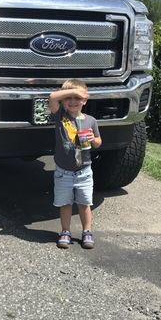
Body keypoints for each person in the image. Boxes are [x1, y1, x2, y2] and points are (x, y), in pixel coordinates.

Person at [48, 79, 102, 249]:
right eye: (69, 98)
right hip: (63, 172)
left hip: (84, 171)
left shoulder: (91, 120)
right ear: (63, 101)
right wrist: (75, 92)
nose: (73, 101)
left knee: (85, 204)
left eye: (77, 98)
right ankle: (65, 231)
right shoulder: (60, 117)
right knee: (65, 204)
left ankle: (87, 231)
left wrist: (94, 140)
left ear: (85, 100)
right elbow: (52, 97)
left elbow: (99, 142)